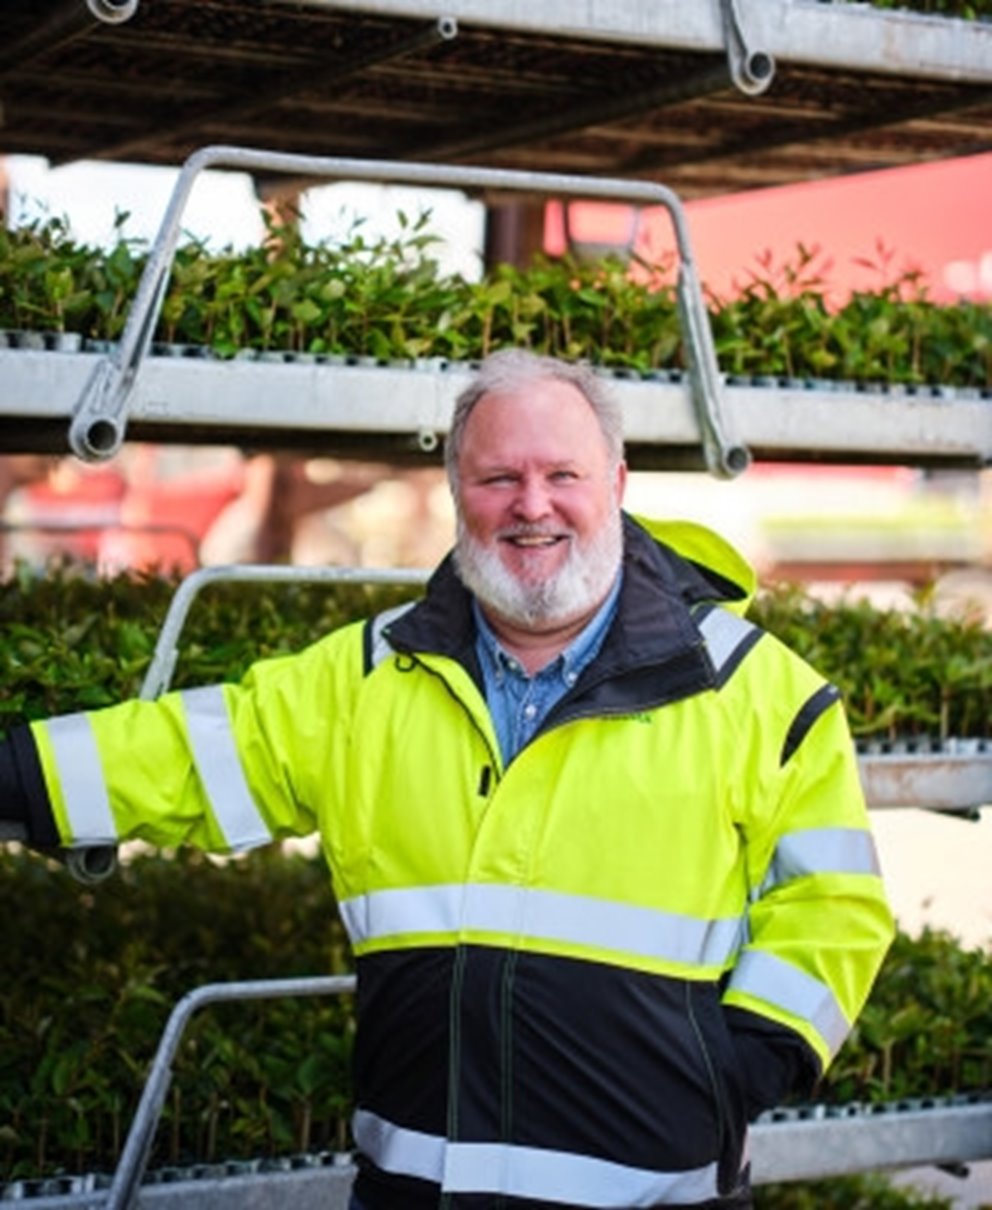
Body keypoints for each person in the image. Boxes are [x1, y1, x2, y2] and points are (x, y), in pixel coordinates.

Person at [0, 349, 893, 1210]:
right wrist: (16, 773)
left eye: (563, 476)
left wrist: (739, 1064)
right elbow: (182, 756)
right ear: (456, 492)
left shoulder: (759, 692)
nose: (531, 505)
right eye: (498, 478)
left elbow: (835, 904)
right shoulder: (366, 678)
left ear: (617, 486)